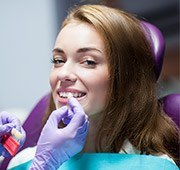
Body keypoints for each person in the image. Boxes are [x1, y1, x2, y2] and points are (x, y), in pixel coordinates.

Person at [4, 4, 180, 169]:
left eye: (88, 62)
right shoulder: (24, 161)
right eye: (58, 60)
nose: (63, 73)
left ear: (127, 79)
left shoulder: (155, 166)